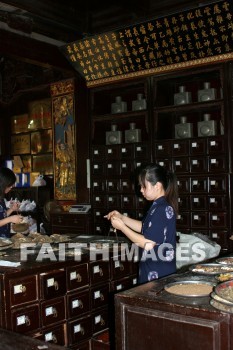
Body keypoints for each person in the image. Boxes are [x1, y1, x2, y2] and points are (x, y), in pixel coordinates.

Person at [105, 163, 179, 284]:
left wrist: (122, 227)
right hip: (152, 268)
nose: (141, 190)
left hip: (158, 272)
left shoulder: (161, 209)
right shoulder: (158, 205)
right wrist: (121, 217)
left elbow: (147, 243)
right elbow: (145, 228)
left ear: (157, 186)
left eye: (144, 187)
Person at [0, 167, 23, 238]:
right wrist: (10, 219)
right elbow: (5, 219)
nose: (12, 187)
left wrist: (12, 209)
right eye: (9, 184)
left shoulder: (1, 197)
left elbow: (2, 216)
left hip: (4, 238)